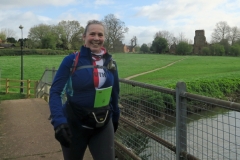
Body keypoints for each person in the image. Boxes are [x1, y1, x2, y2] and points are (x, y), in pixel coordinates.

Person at [49, 20, 120, 160]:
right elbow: (55, 91)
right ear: (84, 37)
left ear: (104, 38)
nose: (96, 38)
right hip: (74, 124)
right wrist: (58, 122)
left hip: (103, 124)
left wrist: (116, 117)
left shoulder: (111, 63)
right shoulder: (71, 60)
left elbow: (115, 93)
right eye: (92, 34)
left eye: (100, 35)